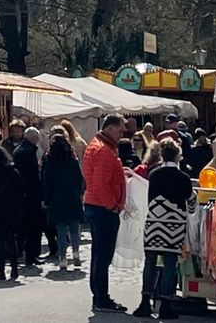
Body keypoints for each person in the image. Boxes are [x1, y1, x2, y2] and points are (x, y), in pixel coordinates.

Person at [134, 138, 194, 319]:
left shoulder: (153, 174)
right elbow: (191, 205)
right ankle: (166, 305)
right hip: (174, 228)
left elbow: (149, 200)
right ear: (178, 156)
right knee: (169, 264)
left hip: (154, 224)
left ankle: (145, 302)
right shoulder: (183, 178)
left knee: (150, 263)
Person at [83, 112, 129, 313]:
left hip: (97, 206)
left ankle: (99, 295)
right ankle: (101, 298)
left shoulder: (99, 146)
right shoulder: (103, 151)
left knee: (98, 254)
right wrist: (113, 206)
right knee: (103, 256)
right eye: (120, 130)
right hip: (103, 209)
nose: (122, 134)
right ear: (110, 128)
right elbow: (101, 184)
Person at [0, 145, 26, 282]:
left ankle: (1, 270)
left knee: (0, 241)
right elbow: (22, 189)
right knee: (11, 239)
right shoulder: (12, 171)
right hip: (11, 210)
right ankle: (14, 269)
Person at [42, 133, 85, 269]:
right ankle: (76, 252)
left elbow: (46, 182)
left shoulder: (49, 161)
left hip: (56, 198)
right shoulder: (73, 160)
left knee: (60, 229)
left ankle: (62, 258)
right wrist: (80, 192)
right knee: (74, 227)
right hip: (72, 196)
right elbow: (79, 179)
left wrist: (46, 198)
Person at [13, 126, 49, 266]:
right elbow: (33, 177)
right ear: (34, 138)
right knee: (34, 227)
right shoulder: (29, 152)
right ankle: (32, 255)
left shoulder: (18, 150)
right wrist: (41, 195)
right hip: (31, 195)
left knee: (23, 227)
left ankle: (23, 253)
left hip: (21, 195)